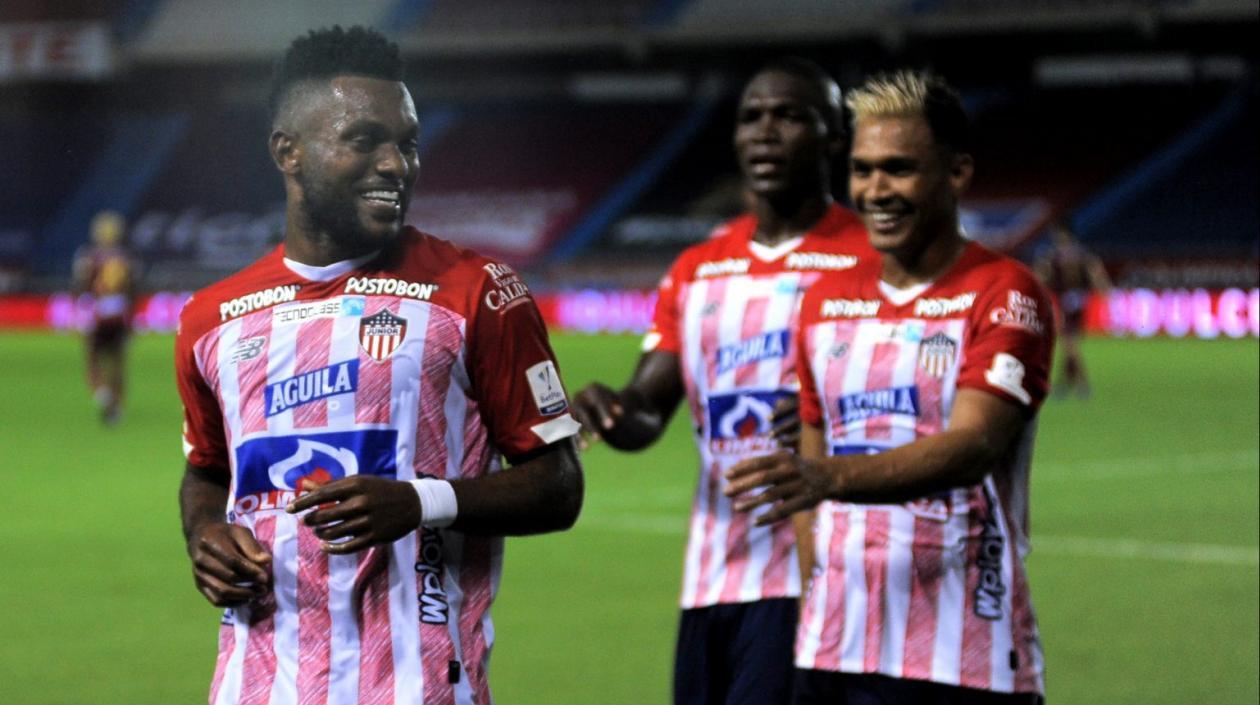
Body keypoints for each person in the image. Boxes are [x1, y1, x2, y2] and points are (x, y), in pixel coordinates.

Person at [175, 26, 583, 705]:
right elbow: (206, 468)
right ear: (289, 151)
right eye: (364, 140)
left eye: (408, 142)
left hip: (418, 684)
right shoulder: (211, 317)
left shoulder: (478, 291)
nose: (397, 164)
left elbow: (559, 484)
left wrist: (423, 501)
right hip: (254, 684)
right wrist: (205, 533)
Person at [725, 70, 1053, 704]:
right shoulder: (825, 302)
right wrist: (810, 603)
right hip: (832, 650)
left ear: (956, 174)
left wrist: (830, 478)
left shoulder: (1005, 293)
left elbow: (975, 445)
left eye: (899, 169)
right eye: (864, 170)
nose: (876, 190)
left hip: (965, 655)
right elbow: (806, 484)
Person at [571, 58, 870, 705]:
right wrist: (612, 409)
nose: (766, 132)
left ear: (834, 139)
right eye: (752, 117)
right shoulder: (699, 266)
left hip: (820, 573)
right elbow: (649, 409)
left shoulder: (869, 257)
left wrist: (834, 416)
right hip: (711, 575)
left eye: (791, 116)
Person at [71, 210, 136, 424]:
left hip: (98, 314)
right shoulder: (125, 257)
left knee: (93, 361)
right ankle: (117, 408)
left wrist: (80, 308)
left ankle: (105, 396)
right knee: (117, 363)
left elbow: (82, 285)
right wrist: (131, 318)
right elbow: (131, 289)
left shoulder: (89, 256)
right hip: (119, 314)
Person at [1035, 222, 1110, 397]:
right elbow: (1097, 275)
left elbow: (1041, 276)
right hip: (1078, 303)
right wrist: (1104, 289)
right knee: (1069, 346)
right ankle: (1063, 384)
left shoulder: (1053, 255)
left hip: (1067, 304)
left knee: (1070, 347)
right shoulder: (1083, 254)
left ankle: (1083, 385)